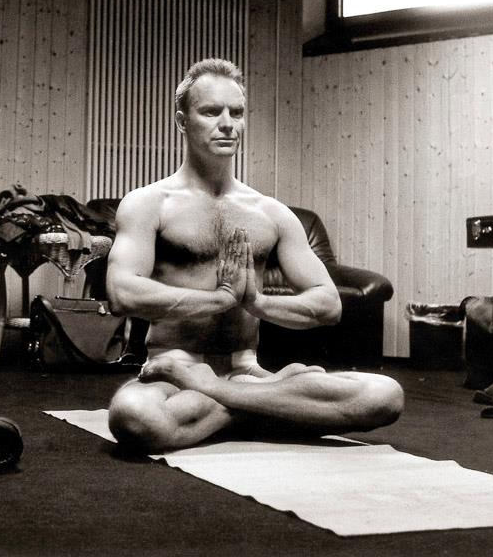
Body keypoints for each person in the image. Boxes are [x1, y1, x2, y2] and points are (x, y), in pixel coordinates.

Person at [105, 58, 403, 452]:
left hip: (246, 370)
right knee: (134, 417)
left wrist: (256, 302)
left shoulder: (270, 213)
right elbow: (122, 293)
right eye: (211, 111)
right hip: (174, 369)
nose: (227, 123)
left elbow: (328, 304)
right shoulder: (148, 204)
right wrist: (218, 300)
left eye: (237, 112)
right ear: (182, 121)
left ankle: (222, 398)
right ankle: (278, 408)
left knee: (386, 395)